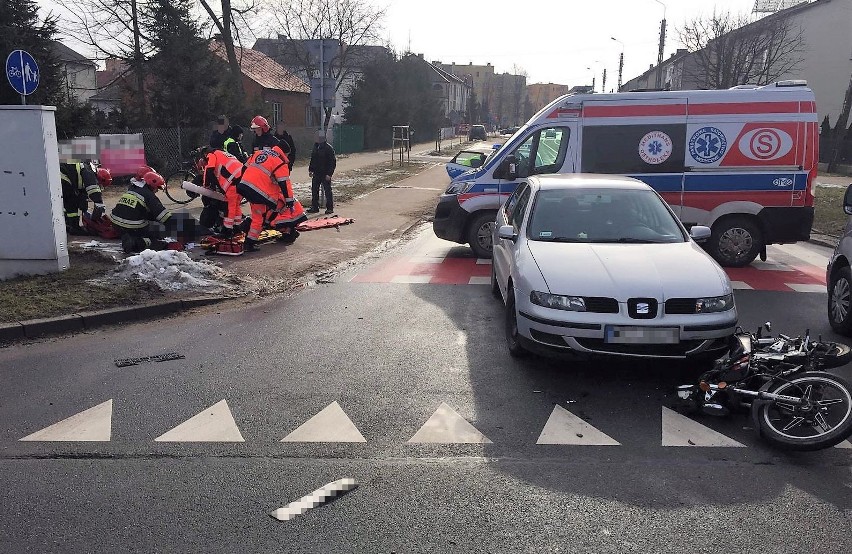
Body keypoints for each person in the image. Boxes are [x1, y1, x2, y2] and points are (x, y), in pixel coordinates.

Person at [236, 145, 302, 252]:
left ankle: (246, 231)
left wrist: (241, 184)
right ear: (284, 153)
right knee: (259, 219)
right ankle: (249, 243)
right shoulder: (280, 162)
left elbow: (244, 168)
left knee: (257, 215)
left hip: (245, 186)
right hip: (259, 192)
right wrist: (289, 200)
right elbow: (284, 183)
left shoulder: (260, 153)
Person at [109, 170, 174, 254]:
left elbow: (141, 211)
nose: (157, 190)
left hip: (116, 224)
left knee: (151, 225)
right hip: (132, 226)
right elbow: (163, 216)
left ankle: (129, 236)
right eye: (157, 188)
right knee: (158, 233)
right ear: (152, 185)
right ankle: (134, 242)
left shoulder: (133, 188)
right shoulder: (149, 196)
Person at [198, 148, 245, 237]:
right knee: (235, 205)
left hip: (233, 181)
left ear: (205, 154)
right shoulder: (223, 154)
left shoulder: (211, 154)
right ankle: (237, 227)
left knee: (229, 206)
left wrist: (207, 185)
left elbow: (209, 170)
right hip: (242, 178)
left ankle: (227, 230)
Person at [60, 161, 111, 235]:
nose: (99, 187)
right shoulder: (89, 172)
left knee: (69, 202)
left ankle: (69, 224)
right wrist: (99, 202)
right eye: (100, 185)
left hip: (63, 177)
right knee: (71, 201)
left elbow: (82, 193)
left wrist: (84, 205)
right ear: (99, 178)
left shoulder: (86, 172)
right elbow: (93, 190)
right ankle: (74, 228)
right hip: (62, 176)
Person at [308, 129, 336, 214]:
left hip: (325, 173)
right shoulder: (315, 146)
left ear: (321, 138)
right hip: (316, 173)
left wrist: (329, 174)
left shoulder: (328, 148)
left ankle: (330, 208)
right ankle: (314, 207)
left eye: (316, 136)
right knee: (314, 190)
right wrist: (311, 169)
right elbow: (313, 159)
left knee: (327, 190)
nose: (314, 138)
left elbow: (332, 162)